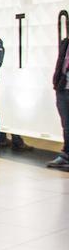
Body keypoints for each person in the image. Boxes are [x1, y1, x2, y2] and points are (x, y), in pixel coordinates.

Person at [48, 32, 69, 170]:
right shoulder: (65, 43)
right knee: (66, 125)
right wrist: (56, 82)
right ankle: (66, 154)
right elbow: (60, 63)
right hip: (63, 88)